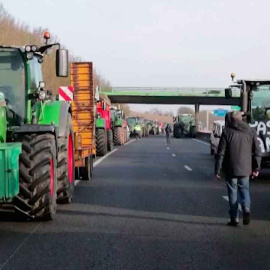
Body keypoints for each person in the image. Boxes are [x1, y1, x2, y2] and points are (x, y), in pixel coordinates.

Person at [215, 111, 261, 226]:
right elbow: (257, 151)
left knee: (232, 192)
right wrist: (257, 168)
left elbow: (220, 153)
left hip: (231, 168)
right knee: (244, 190)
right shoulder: (251, 131)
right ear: (241, 119)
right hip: (246, 168)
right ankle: (246, 209)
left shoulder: (227, 132)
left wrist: (217, 170)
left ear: (231, 120)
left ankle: (234, 218)